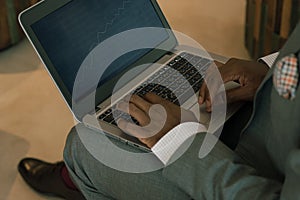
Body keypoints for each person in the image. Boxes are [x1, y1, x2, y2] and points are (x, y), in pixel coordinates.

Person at [18, 23, 300, 200]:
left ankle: (78, 179)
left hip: (259, 175)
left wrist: (180, 139)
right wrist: (274, 71)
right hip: (275, 122)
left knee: (84, 145)